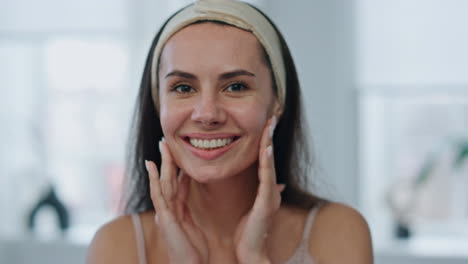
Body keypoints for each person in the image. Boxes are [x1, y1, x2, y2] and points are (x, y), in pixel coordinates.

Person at [87, 0, 373, 263]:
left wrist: (254, 257)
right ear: (158, 103)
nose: (207, 114)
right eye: (183, 88)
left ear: (277, 101)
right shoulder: (116, 246)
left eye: (236, 86)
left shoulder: (337, 233)